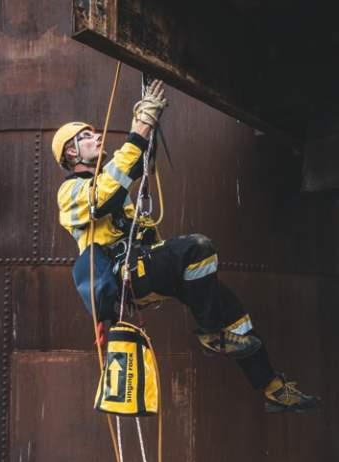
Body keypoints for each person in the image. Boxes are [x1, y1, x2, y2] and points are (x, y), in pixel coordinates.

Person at [52, 80, 319, 413]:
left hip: (145, 265)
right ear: (71, 152)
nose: (96, 136)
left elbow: (122, 173)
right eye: (86, 136)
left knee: (232, 310)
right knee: (198, 247)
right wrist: (139, 130)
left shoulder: (105, 175)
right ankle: (209, 334)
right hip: (128, 274)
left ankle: (272, 388)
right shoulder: (70, 193)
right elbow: (106, 195)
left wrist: (145, 134)